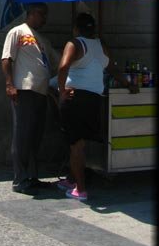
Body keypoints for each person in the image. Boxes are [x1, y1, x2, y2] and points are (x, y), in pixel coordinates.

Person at [57, 12, 138, 202]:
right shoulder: (101, 46)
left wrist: (61, 90)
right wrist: (128, 84)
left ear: (76, 28)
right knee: (79, 142)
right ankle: (72, 178)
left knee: (76, 145)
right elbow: (112, 69)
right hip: (94, 100)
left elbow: (62, 67)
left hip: (75, 99)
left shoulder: (74, 43)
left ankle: (81, 189)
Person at [1, 3, 60, 194]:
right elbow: (6, 59)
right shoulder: (17, 32)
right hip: (24, 90)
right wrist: (10, 84)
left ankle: (32, 176)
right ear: (32, 13)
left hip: (42, 92)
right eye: (42, 14)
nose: (45, 19)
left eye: (46, 15)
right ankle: (20, 179)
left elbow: (59, 61)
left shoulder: (42, 39)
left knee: (35, 136)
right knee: (22, 136)